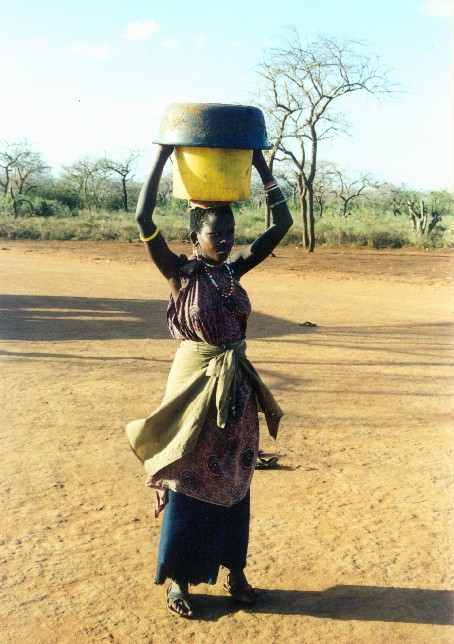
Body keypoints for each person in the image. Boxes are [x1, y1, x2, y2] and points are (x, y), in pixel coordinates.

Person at [126, 144, 293, 618]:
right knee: (186, 477)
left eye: (229, 233)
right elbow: (142, 218)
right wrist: (162, 156)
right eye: (215, 234)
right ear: (195, 236)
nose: (224, 240)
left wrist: (260, 164)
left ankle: (234, 571)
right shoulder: (180, 274)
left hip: (235, 394)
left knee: (235, 481)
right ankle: (177, 578)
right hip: (195, 390)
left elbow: (281, 226)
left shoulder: (233, 271)